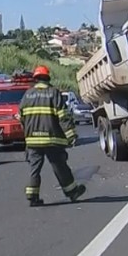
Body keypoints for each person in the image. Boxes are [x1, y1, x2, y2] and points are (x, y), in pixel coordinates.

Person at [17, 66, 87, 207]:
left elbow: (21, 117)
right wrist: (71, 135)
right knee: (60, 167)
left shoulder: (28, 94)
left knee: (34, 169)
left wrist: (28, 134)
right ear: (47, 78)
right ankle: (72, 192)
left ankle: (32, 197)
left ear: (35, 79)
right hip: (52, 139)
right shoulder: (53, 93)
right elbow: (63, 116)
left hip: (32, 141)